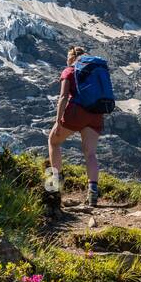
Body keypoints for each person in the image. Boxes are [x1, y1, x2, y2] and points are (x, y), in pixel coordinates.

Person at [47, 46, 103, 206]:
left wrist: (58, 121)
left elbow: (64, 96)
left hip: (75, 113)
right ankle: (92, 193)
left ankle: (54, 187)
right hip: (96, 114)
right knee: (90, 153)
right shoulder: (95, 71)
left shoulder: (69, 71)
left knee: (53, 141)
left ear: (71, 58)